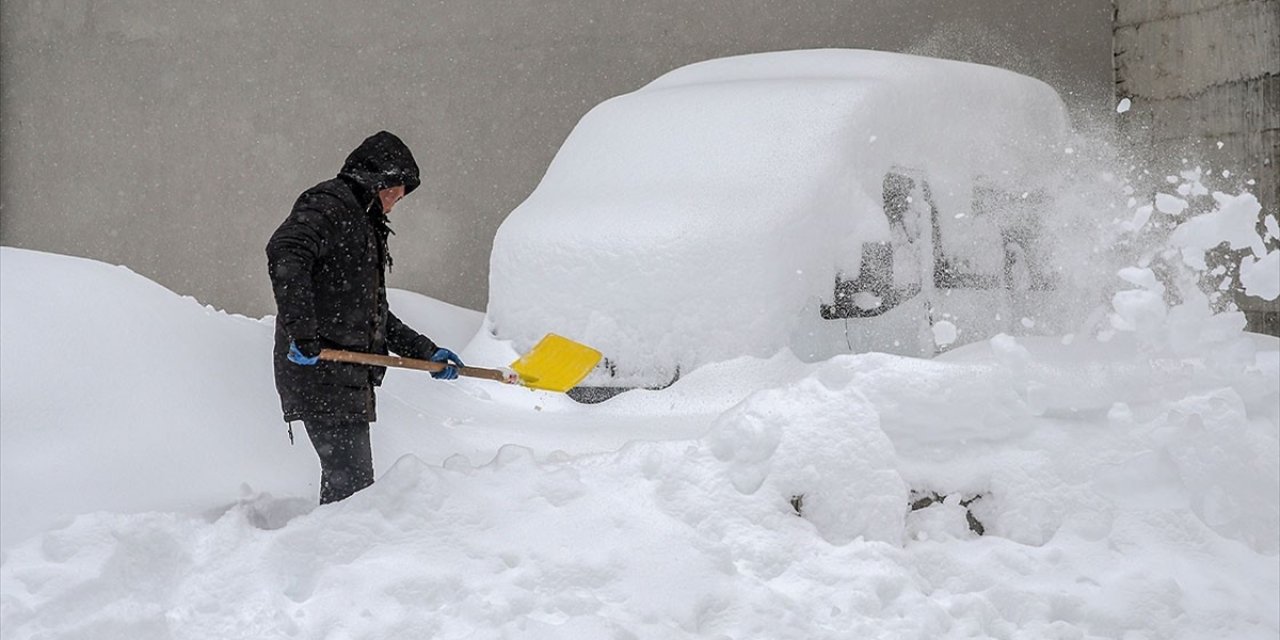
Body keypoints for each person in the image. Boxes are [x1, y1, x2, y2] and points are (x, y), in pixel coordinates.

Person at [266, 130, 465, 505]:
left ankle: (331, 552)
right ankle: (332, 557)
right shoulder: (329, 205)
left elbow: (374, 314)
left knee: (350, 490)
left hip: (345, 379)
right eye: (395, 192)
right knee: (352, 489)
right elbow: (286, 251)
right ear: (378, 179)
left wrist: (428, 352)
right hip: (320, 372)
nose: (395, 204)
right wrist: (302, 333)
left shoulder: (362, 223)